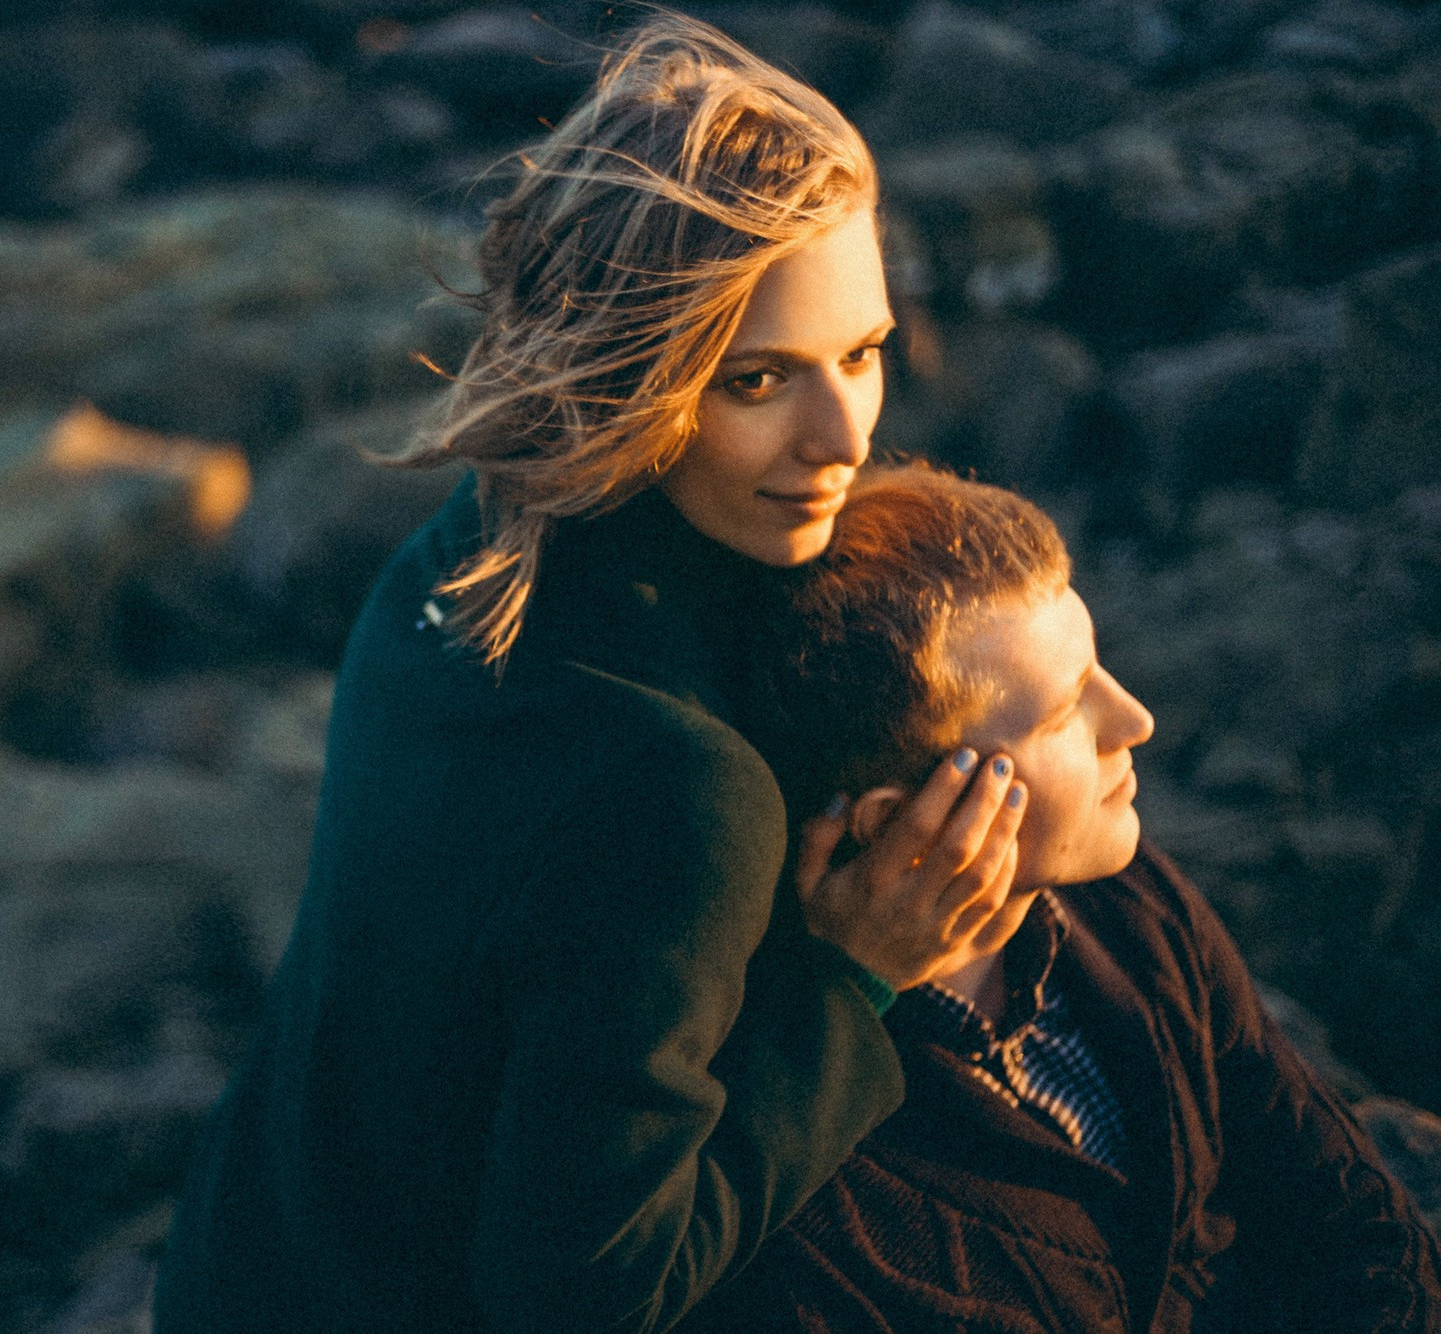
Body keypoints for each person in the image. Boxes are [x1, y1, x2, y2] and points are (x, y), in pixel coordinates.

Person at [155, 15, 1036, 1333]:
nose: (845, 431)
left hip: (245, 1263)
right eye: (759, 379)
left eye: (862, 352)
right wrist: (852, 983)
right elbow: (584, 1295)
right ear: (637, 369)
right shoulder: (678, 784)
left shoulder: (456, 558)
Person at [674, 463, 1441, 1332]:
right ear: (907, 820)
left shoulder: (1127, 901)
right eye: (1065, 709)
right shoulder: (818, 1176)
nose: (1134, 720)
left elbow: (1342, 1202)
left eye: (1098, 667)